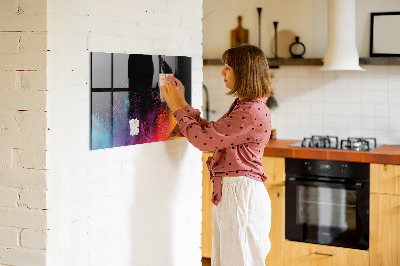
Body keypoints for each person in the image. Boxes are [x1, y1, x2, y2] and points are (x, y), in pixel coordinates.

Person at [161, 44, 273, 266]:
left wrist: (176, 108)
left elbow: (204, 141)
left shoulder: (250, 111)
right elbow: (212, 133)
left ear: (244, 72)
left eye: (228, 67)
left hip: (241, 195)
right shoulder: (246, 106)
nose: (222, 72)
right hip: (236, 193)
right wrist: (182, 104)